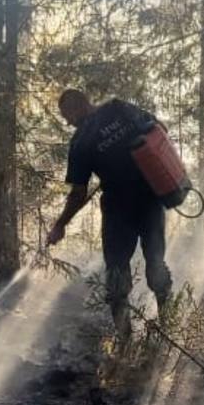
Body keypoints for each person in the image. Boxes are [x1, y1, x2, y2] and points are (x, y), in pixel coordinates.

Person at [46, 88, 173, 335]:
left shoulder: (82, 140)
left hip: (125, 209)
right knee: (145, 267)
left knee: (126, 273)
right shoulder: (119, 108)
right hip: (145, 201)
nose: (67, 122)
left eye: (67, 115)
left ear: (79, 106)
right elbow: (159, 129)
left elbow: (78, 194)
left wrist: (60, 224)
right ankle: (157, 329)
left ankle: (133, 337)